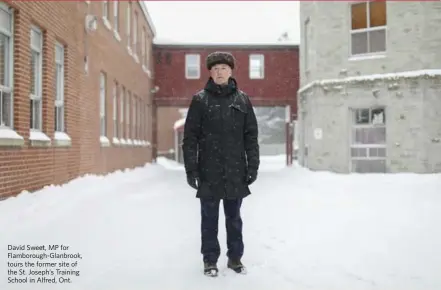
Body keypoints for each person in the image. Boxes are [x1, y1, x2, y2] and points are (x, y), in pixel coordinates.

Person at [182, 51, 260, 277]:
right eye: (215, 69)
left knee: (234, 219)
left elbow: (251, 137)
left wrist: (252, 166)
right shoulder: (200, 100)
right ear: (210, 72)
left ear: (231, 71)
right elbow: (190, 139)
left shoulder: (242, 100)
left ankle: (235, 258)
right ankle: (210, 260)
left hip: (236, 171)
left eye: (223, 68)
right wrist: (191, 170)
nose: (219, 72)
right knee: (209, 219)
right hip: (208, 172)